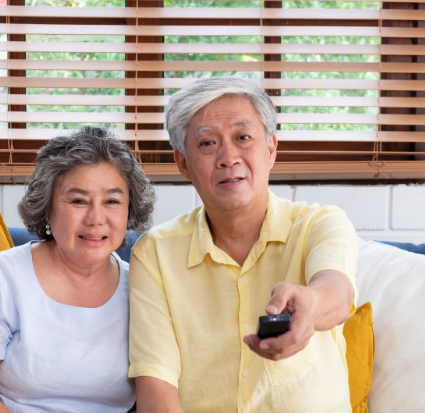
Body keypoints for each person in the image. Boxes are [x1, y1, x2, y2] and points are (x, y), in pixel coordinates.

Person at [129, 77, 358, 413]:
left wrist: (308, 304)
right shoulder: (155, 253)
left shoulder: (319, 224)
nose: (228, 157)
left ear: (270, 149)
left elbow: (336, 295)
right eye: (207, 143)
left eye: (243, 137)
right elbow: (156, 383)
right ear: (182, 164)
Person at [0, 126, 155, 412]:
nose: (96, 218)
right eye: (78, 200)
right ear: (47, 208)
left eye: (112, 201)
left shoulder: (145, 288)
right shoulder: (5, 275)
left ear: (129, 211)